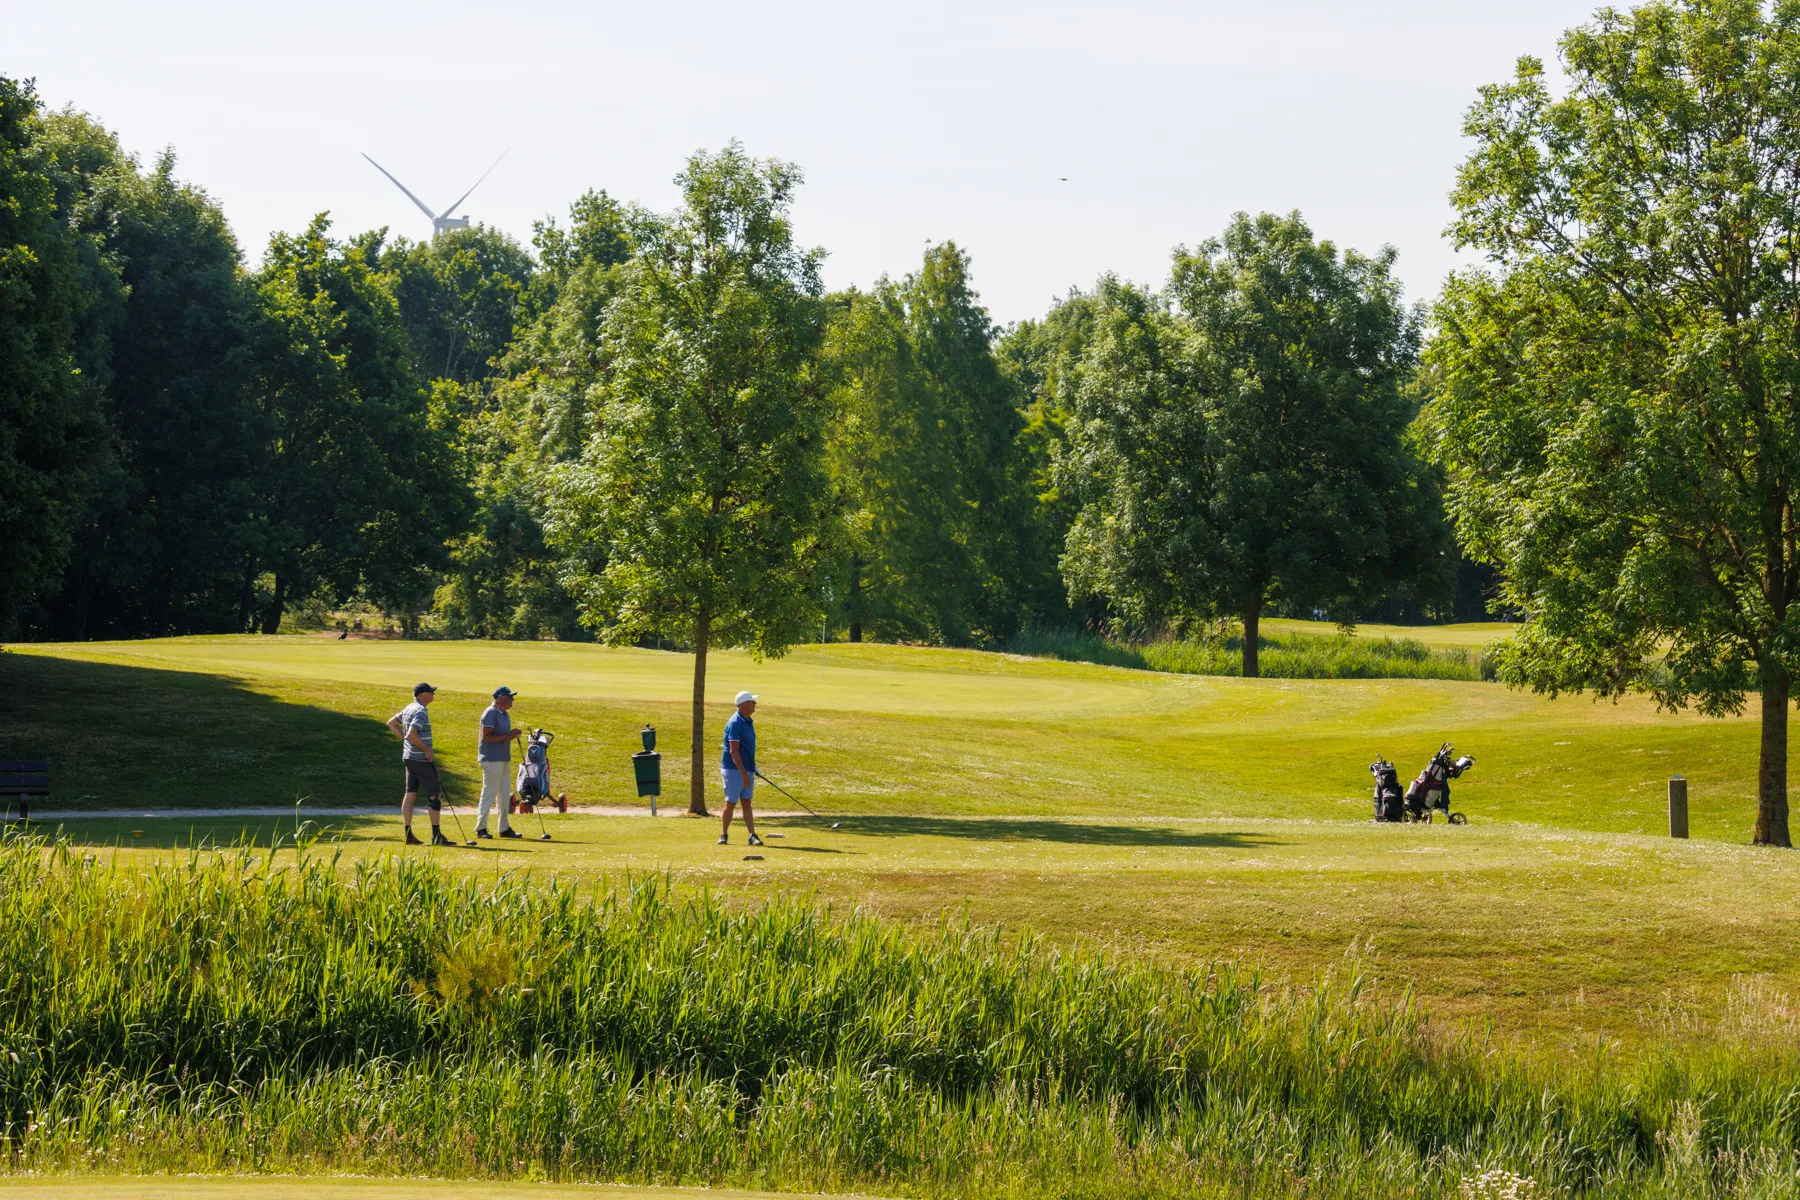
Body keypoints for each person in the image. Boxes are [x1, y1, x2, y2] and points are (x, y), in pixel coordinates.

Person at [387, 682, 449, 846]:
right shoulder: (420, 711)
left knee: (411, 794)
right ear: (422, 695)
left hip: (408, 757)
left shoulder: (409, 708)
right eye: (431, 692)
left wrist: (404, 740)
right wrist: (427, 750)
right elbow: (412, 734)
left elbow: (392, 723)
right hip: (420, 759)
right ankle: (436, 836)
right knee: (434, 795)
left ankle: (408, 834)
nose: (433, 695)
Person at [477, 686, 524, 839]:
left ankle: (503, 828)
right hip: (491, 759)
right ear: (500, 697)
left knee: (504, 795)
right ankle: (481, 828)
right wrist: (509, 736)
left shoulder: (504, 714)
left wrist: (510, 735)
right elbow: (486, 737)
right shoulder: (491, 713)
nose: (512, 699)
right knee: (489, 793)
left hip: (503, 758)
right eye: (509, 696)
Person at [719, 690, 762, 847]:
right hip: (733, 769)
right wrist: (744, 774)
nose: (755, 704)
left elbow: (746, 749)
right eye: (752, 701)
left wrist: (753, 767)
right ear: (744, 705)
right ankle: (723, 835)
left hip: (745, 768)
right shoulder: (735, 723)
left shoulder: (748, 721)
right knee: (731, 802)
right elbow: (733, 751)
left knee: (746, 802)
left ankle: (752, 835)